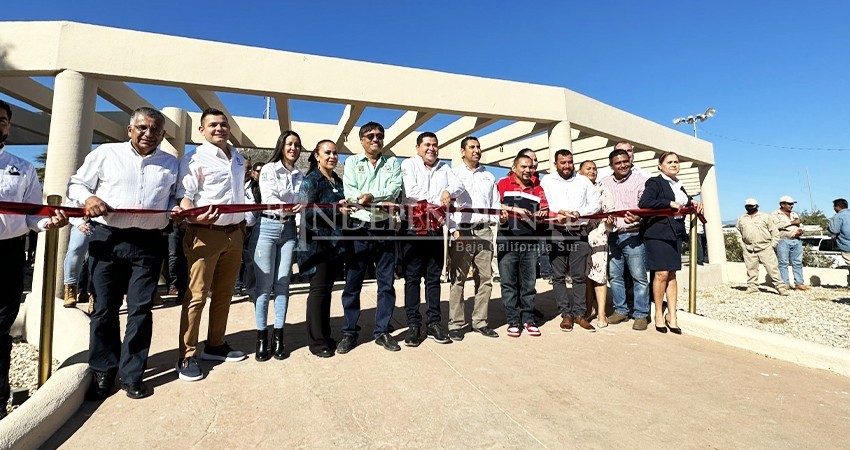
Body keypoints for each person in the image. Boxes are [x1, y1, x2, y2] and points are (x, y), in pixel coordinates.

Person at [67, 106, 179, 400]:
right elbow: (75, 184)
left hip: (149, 242)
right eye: (142, 128)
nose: (148, 134)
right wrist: (89, 197)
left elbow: (177, 198)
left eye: (155, 130)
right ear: (130, 130)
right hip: (108, 239)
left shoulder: (171, 163)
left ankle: (132, 374)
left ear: (163, 134)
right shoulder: (106, 154)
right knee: (104, 308)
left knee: (141, 310)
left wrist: (179, 208)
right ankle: (104, 369)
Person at [0, 100, 68, 419]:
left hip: (9, 254)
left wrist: (47, 222)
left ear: (8, 126)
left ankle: (0, 400)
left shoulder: (22, 168)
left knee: (1, 329)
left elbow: (31, 216)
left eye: (3, 120)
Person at [176, 108, 249, 382]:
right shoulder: (194, 158)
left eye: (223, 124)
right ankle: (187, 354)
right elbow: (185, 195)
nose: (219, 129)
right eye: (213, 125)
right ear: (202, 130)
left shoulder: (238, 159)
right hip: (205, 233)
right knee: (196, 296)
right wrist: (191, 213)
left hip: (235, 233)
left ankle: (215, 344)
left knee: (224, 294)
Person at [338, 122, 403, 353]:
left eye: (379, 135)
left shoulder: (392, 163)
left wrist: (373, 195)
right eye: (371, 136)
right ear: (362, 139)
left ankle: (382, 331)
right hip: (358, 227)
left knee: (386, 283)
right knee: (353, 282)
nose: (376, 139)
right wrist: (364, 198)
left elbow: (394, 188)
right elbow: (350, 192)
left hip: (384, 227)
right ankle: (349, 332)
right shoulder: (353, 162)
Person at [400, 132, 463, 346]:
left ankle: (434, 322)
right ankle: (414, 325)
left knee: (434, 278)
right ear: (418, 147)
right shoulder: (409, 165)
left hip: (436, 229)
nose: (431, 149)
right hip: (413, 229)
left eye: (435, 145)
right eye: (427, 145)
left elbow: (459, 186)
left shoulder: (445, 168)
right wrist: (441, 199)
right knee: (412, 279)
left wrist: (448, 189)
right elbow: (413, 192)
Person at [638, 151, 703, 335]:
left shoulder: (679, 185)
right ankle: (658, 313)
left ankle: (672, 315)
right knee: (661, 274)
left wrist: (693, 202)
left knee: (672, 275)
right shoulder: (655, 182)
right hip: (657, 233)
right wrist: (669, 203)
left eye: (676, 162)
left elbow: (684, 202)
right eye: (669, 162)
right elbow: (645, 202)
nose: (674, 164)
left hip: (675, 232)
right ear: (660, 165)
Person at [253, 131, 303, 361]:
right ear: (281, 146)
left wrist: (296, 208)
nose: (293, 148)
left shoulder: (299, 174)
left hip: (290, 229)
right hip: (267, 227)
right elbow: (270, 198)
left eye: (297, 145)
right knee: (264, 286)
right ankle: (261, 337)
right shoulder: (269, 169)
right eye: (289, 144)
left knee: (283, 284)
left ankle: (278, 337)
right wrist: (292, 205)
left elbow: (301, 202)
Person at [297, 140, 349, 357]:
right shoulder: (311, 181)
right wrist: (338, 211)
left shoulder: (336, 180)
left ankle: (325, 336)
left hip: (335, 244)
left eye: (335, 153)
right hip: (315, 245)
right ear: (317, 156)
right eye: (327, 152)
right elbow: (306, 214)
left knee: (326, 292)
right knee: (318, 292)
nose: (332, 156)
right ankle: (317, 343)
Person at [540, 150, 600, 332]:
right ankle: (566, 314)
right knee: (558, 276)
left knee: (579, 276)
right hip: (556, 232)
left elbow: (595, 203)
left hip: (578, 232)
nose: (567, 166)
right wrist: (560, 211)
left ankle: (580, 314)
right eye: (563, 162)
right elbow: (544, 204)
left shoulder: (583, 181)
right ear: (555, 163)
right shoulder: (547, 181)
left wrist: (578, 213)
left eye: (570, 162)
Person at [447, 137, 500, 340]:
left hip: (484, 231)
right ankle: (456, 323)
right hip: (462, 231)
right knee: (458, 279)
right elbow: (448, 207)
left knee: (485, 279)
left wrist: (495, 221)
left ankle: (480, 322)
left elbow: (495, 203)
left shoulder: (489, 176)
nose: (476, 150)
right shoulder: (454, 174)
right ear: (463, 151)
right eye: (472, 147)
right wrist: (453, 230)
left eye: (478, 147)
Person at [496, 154, 549, 337]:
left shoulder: (538, 188)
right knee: (508, 283)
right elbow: (494, 206)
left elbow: (545, 209)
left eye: (530, 167)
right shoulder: (502, 184)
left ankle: (528, 319)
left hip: (530, 243)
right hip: (506, 242)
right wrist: (508, 211)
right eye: (523, 167)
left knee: (528, 283)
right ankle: (513, 320)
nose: (528, 170)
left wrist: (543, 214)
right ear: (514, 167)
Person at [599, 146, 650, 330]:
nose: (622, 165)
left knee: (639, 277)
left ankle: (641, 314)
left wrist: (639, 217)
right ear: (611, 165)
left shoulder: (640, 181)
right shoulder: (603, 182)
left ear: (630, 161)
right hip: (612, 235)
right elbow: (599, 206)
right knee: (615, 276)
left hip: (634, 234)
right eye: (618, 163)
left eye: (625, 161)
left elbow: (647, 207)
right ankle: (620, 310)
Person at [577, 160, 614, 327]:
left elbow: (610, 213)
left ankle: (601, 312)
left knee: (599, 275)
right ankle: (588, 308)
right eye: (588, 168)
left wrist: (610, 219)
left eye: (594, 169)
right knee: (584, 275)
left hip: (598, 236)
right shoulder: (576, 188)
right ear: (580, 171)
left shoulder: (603, 189)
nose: (592, 171)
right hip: (578, 234)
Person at [736, 198, 789, 295]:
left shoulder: (765, 217)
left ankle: (780, 287)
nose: (749, 208)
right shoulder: (742, 218)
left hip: (765, 247)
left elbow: (774, 232)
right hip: (749, 248)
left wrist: (772, 245)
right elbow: (738, 232)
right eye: (747, 206)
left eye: (751, 206)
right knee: (751, 269)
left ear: (757, 206)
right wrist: (742, 245)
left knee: (772, 269)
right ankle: (752, 286)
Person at [517, 148, 552, 281]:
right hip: (517, 229)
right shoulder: (506, 182)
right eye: (530, 159)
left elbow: (544, 204)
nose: (534, 162)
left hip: (538, 226)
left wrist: (542, 210)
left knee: (542, 249)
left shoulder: (539, 183)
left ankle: (544, 271)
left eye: (536, 160)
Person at [771, 196, 809, 290]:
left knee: (798, 262)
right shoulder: (775, 214)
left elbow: (800, 224)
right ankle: (784, 283)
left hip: (796, 240)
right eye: (789, 204)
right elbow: (775, 226)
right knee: (783, 263)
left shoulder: (794, 214)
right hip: (783, 240)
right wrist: (792, 222)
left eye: (792, 204)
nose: (791, 206)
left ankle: (799, 283)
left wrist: (800, 230)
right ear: (782, 204)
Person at [238, 161, 264, 299]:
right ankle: (236, 287)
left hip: (252, 227)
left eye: (249, 168)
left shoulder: (257, 186)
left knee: (250, 260)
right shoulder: (233, 184)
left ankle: (251, 290)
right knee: (235, 260)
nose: (247, 171)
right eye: (245, 168)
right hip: (235, 226)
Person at [62, 214, 92, 310]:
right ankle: (70, 287)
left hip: (105, 222)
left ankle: (95, 296)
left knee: (100, 258)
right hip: (83, 219)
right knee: (75, 249)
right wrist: (79, 223)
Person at [828, 198, 850, 274]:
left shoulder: (838, 216)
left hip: (847, 246)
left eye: (834, 206)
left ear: (837, 207)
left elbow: (834, 230)